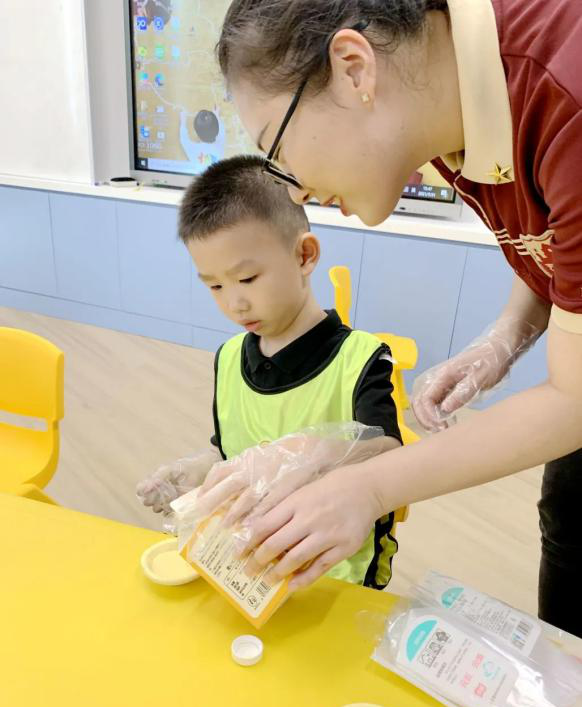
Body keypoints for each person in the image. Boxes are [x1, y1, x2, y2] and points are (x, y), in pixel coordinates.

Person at [196, 0, 582, 636]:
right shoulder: (448, 108)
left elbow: (575, 398)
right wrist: (503, 339)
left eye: (278, 149)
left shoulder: (565, 93)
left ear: (353, 69)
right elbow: (551, 240)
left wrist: (371, 488)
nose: (294, 192)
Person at [137, 154, 403, 589]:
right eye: (215, 286)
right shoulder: (227, 359)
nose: (233, 304)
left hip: (334, 574)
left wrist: (311, 451)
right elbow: (233, 450)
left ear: (303, 255)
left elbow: (388, 450)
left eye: (247, 279)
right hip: (250, 568)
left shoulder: (361, 359)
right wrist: (198, 472)